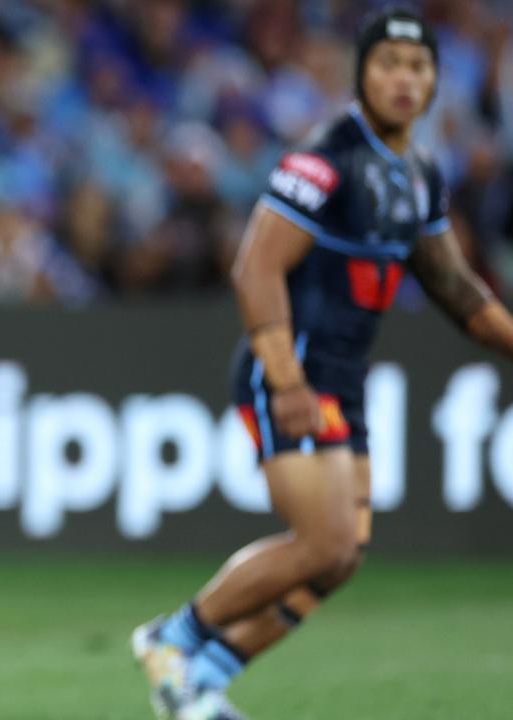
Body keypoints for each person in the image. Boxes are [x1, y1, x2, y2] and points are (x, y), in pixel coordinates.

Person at [132, 9, 513, 720]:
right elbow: (256, 269)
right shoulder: (324, 157)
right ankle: (171, 641)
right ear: (361, 72)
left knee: (339, 560)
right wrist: (284, 378)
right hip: (295, 367)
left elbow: (457, 290)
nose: (404, 79)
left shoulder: (420, 174)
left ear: (436, 81)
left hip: (344, 376)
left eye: (418, 66)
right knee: (323, 541)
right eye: (389, 63)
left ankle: (203, 680)